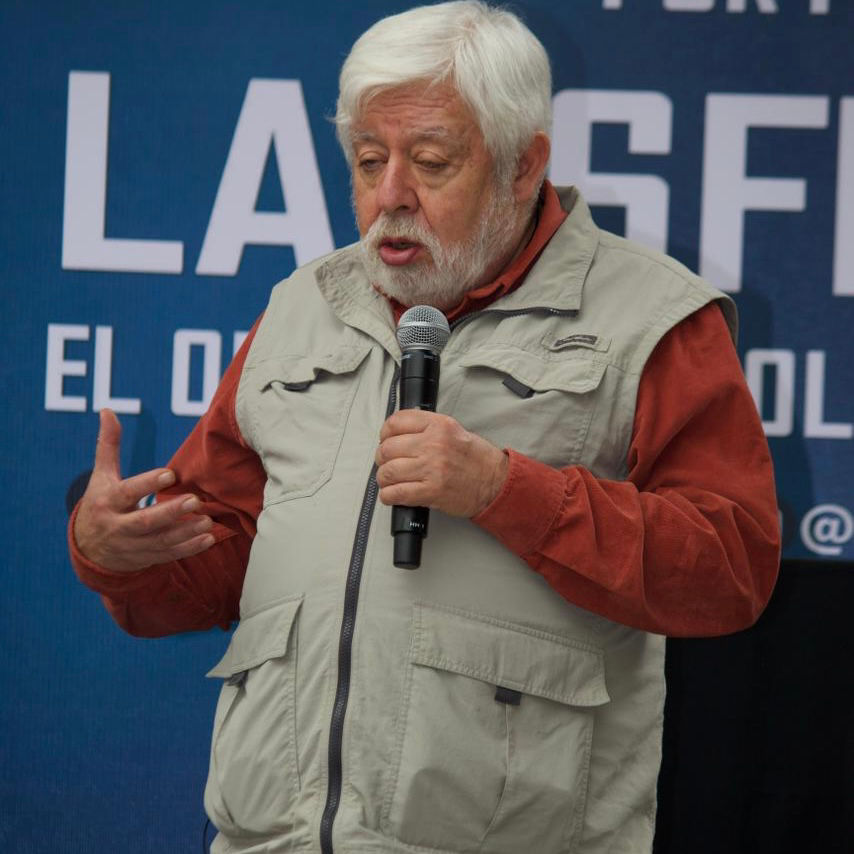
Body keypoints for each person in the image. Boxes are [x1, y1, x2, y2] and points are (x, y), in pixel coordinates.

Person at [69, 2, 780, 852]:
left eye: (431, 161)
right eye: (369, 162)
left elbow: (731, 567)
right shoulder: (302, 308)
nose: (390, 196)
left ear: (524, 166)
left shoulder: (653, 318)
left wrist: (504, 491)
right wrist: (116, 558)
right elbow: (216, 560)